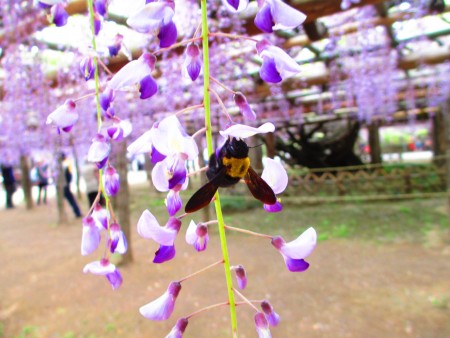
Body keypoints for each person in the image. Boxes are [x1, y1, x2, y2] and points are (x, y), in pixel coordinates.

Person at [61, 153, 82, 218]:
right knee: (71, 200)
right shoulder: (65, 165)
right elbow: (70, 175)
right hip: (65, 186)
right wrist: (68, 183)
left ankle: (77, 213)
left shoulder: (62, 165)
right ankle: (77, 212)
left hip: (63, 186)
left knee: (70, 200)